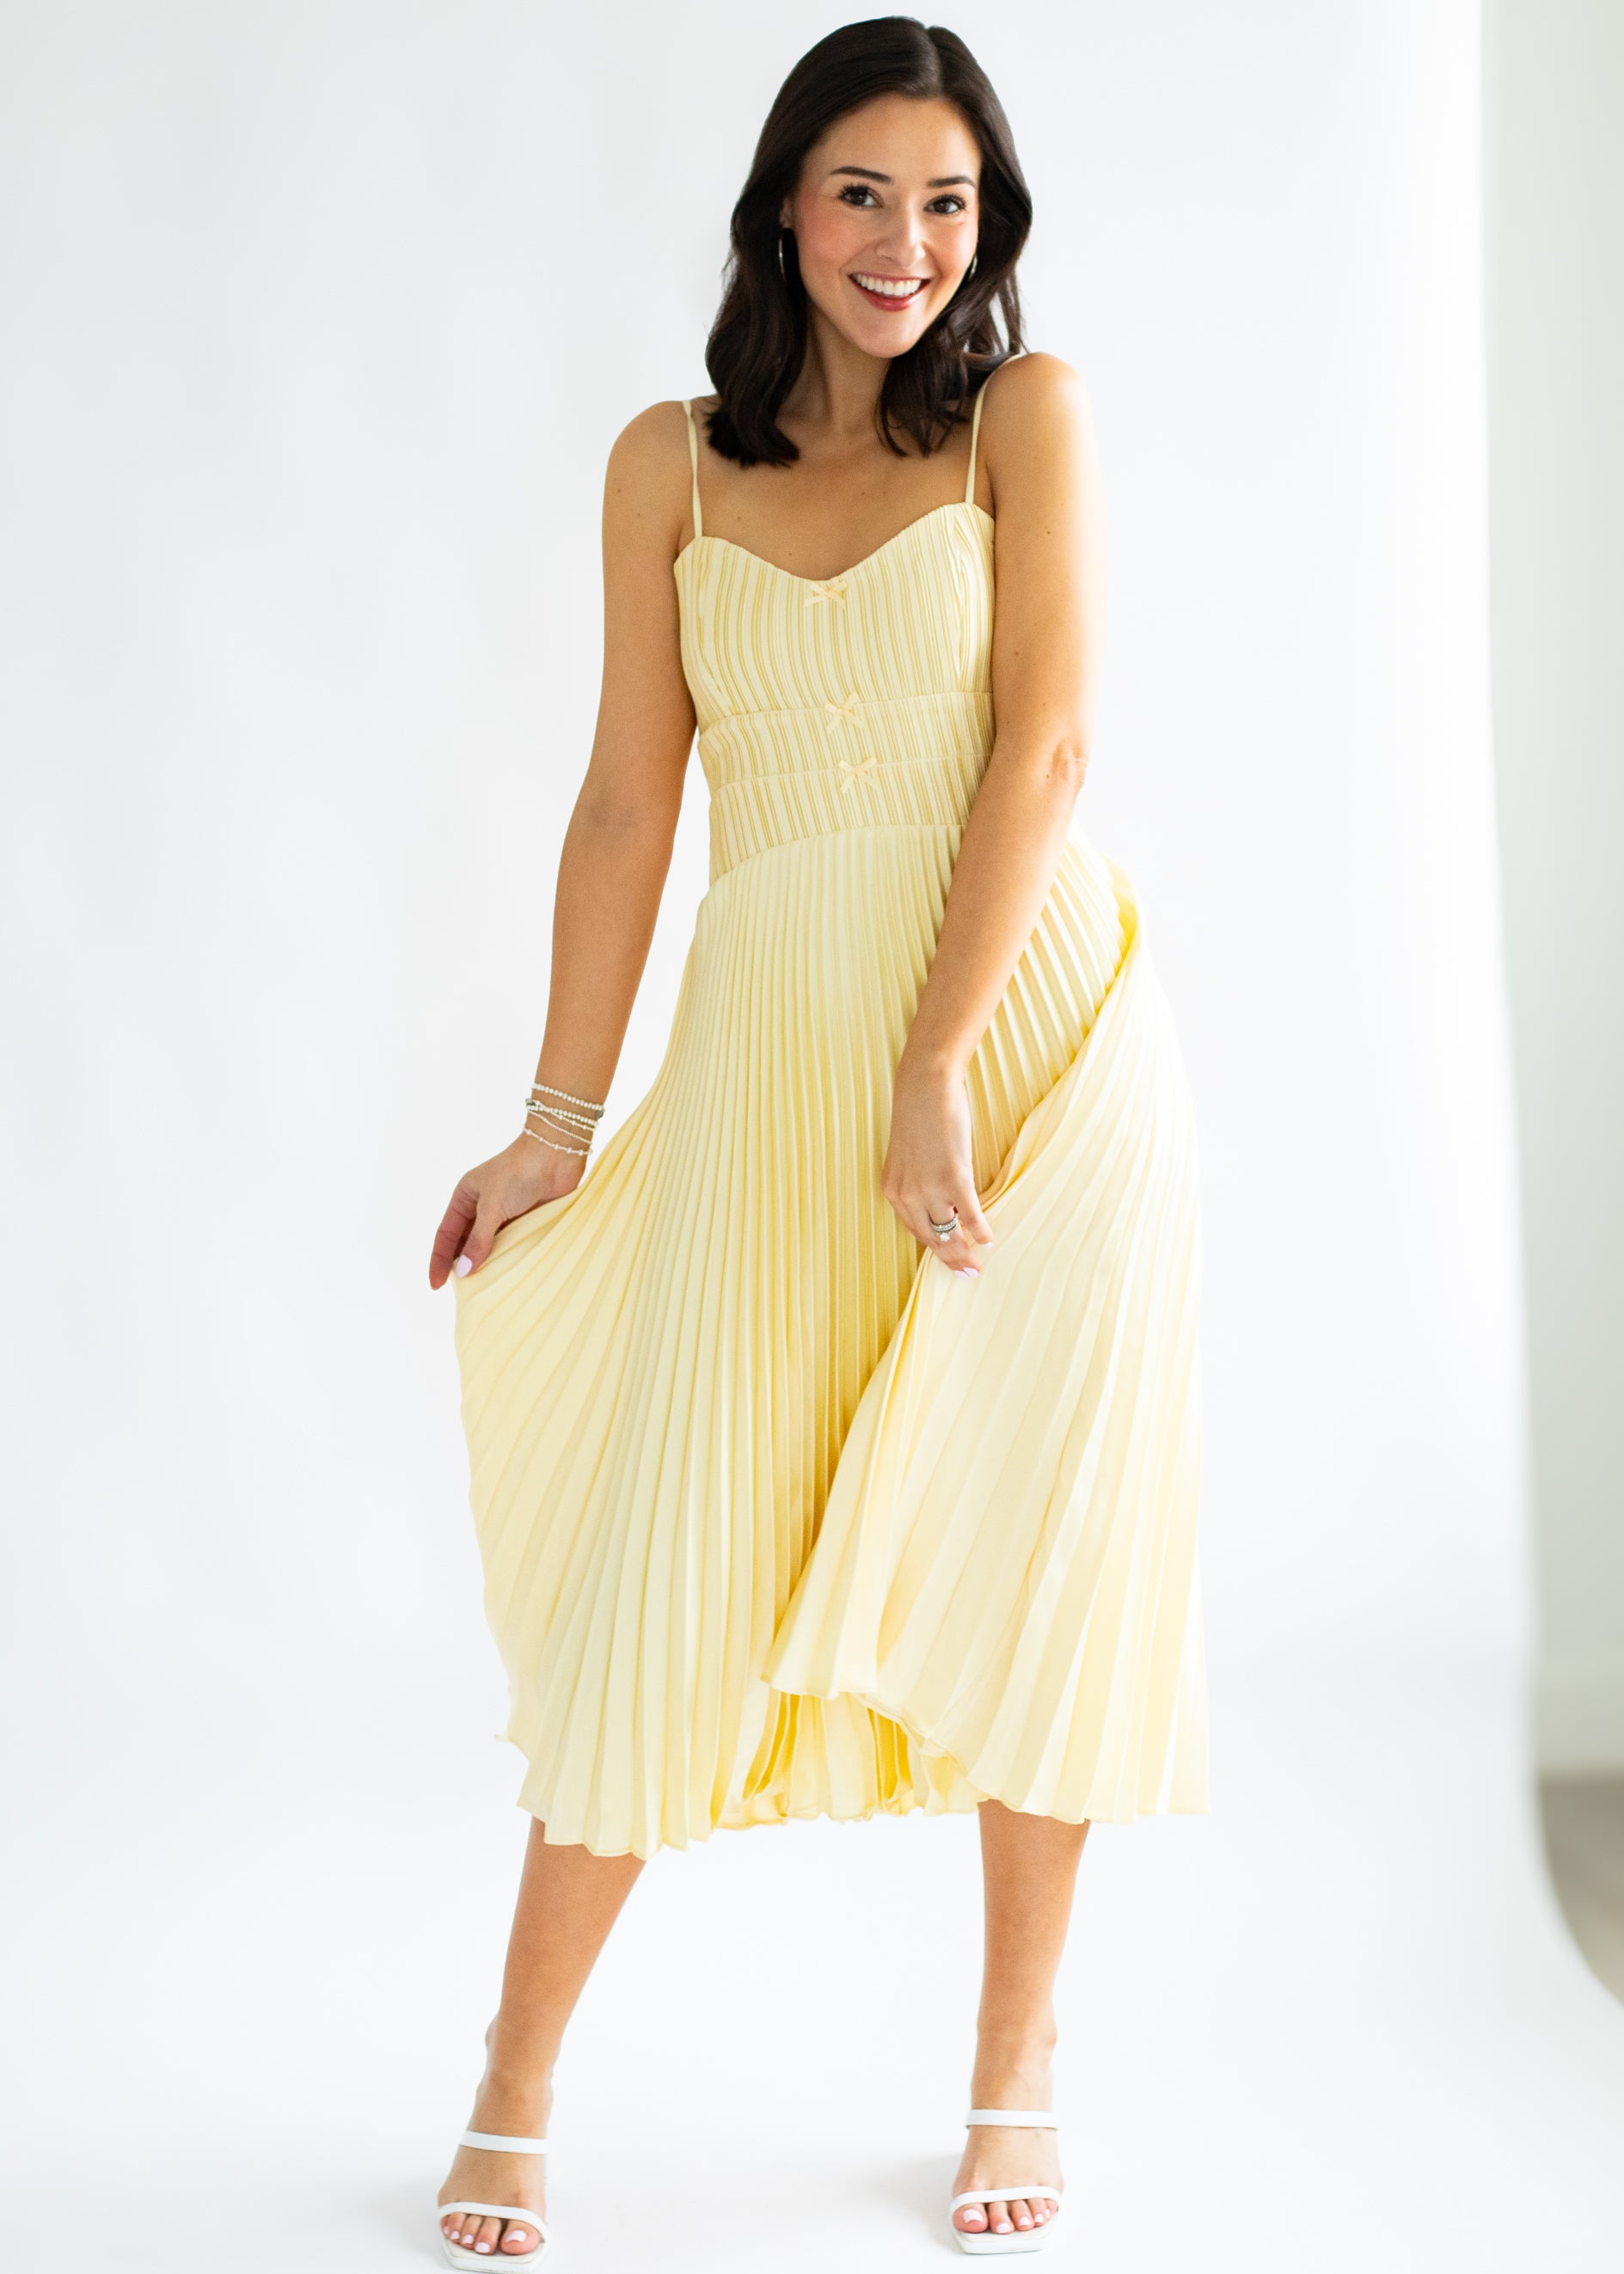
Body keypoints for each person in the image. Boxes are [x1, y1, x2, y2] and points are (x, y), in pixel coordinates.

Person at [427, 17, 1206, 2263]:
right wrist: (559, 1124)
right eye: (863, 191)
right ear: (786, 202)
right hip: (773, 1064)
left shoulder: (1023, 425)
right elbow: (618, 804)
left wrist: (936, 1058)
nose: (905, 241)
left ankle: (1013, 2060)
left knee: (1034, 1548)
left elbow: (1043, 753)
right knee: (672, 1556)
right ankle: (512, 2065)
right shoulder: (667, 465)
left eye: (946, 201)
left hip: (1032, 1064)